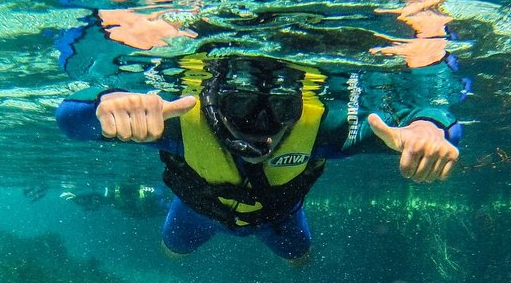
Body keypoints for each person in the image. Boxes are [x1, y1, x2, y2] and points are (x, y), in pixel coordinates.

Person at [57, 55, 461, 264]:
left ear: (301, 103)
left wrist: (429, 128)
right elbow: (72, 122)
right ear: (211, 97)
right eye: (242, 101)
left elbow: (424, 128)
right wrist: (107, 106)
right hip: (194, 214)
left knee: (299, 261)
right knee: (172, 253)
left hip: (279, 222)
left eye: (283, 106)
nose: (262, 124)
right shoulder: (177, 119)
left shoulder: (324, 125)